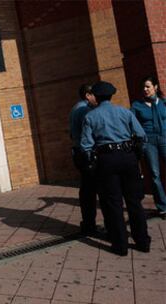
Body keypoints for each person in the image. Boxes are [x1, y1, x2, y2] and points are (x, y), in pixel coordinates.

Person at [81, 81, 151, 256]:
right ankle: (142, 241)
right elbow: (142, 136)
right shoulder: (124, 111)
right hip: (128, 157)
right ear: (111, 95)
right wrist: (136, 155)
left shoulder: (90, 117)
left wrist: (92, 163)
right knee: (134, 201)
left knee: (114, 204)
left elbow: (86, 146)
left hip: (106, 160)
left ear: (95, 97)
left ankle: (120, 245)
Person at [131, 75, 166, 220]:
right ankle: (163, 207)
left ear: (155, 87)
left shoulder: (163, 103)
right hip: (149, 141)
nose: (145, 89)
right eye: (143, 87)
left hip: (165, 138)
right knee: (155, 174)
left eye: (148, 86)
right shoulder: (136, 106)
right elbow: (131, 124)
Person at [69, 84, 101, 235]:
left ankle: (88, 224)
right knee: (91, 189)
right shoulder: (85, 110)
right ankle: (90, 225)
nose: (97, 98)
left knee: (87, 188)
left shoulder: (75, 108)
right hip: (86, 153)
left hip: (78, 151)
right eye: (95, 94)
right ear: (88, 95)